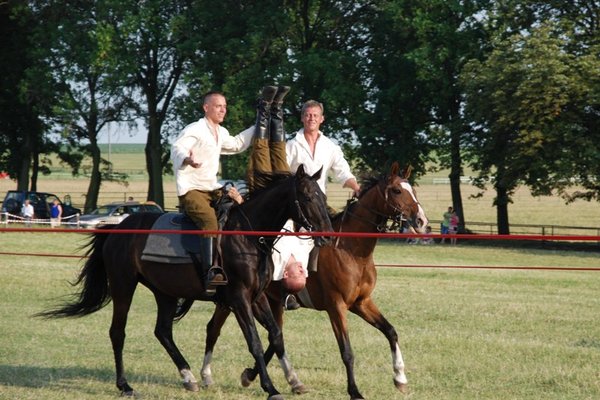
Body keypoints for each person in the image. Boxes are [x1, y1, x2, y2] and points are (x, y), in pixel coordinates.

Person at [230, 85, 312, 310]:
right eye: (304, 274)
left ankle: (263, 107)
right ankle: (277, 108)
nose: (303, 270)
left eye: (298, 274)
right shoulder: (303, 257)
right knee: (279, 149)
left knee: (261, 149)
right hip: (283, 191)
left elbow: (255, 238)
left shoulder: (273, 265)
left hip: (262, 193)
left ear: (285, 274)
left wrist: (241, 202)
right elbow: (308, 234)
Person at [170, 90, 254, 292]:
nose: (223, 110)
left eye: (225, 106)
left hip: (211, 188)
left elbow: (237, 145)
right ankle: (211, 272)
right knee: (209, 221)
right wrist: (187, 159)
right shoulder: (196, 129)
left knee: (239, 209)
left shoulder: (220, 132)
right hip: (192, 190)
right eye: (218, 106)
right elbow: (177, 147)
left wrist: (259, 124)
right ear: (206, 107)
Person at [286, 100, 360, 201]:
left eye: (315, 115)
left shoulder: (330, 147)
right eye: (308, 115)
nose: (312, 119)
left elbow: (343, 173)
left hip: (319, 205)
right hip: (296, 205)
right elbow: (281, 175)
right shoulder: (291, 146)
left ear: (322, 119)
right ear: (302, 118)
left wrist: (357, 188)